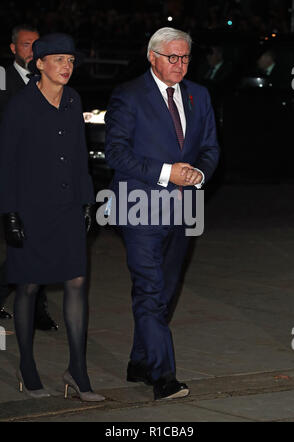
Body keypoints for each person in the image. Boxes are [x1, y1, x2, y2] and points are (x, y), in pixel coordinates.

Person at [105, 27, 219, 400]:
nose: (180, 64)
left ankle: (140, 361)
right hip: (139, 207)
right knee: (150, 291)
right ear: (152, 56)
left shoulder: (198, 95)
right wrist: (167, 172)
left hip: (182, 208)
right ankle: (163, 376)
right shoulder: (128, 95)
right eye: (172, 57)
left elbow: (209, 148)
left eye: (185, 57)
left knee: (165, 293)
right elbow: (116, 154)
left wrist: (198, 173)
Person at [0, 33, 104, 402]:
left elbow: (79, 154)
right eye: (59, 59)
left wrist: (88, 202)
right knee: (28, 287)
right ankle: (28, 371)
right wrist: (9, 214)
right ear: (40, 64)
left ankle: (77, 372)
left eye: (71, 61)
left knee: (77, 282)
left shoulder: (74, 100)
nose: (66, 67)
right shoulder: (20, 105)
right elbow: (7, 164)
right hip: (30, 210)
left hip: (67, 208)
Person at [0, 24, 58, 331]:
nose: (31, 50)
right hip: (11, 173)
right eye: (25, 45)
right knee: (23, 243)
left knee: (36, 242)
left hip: (42, 175)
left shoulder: (46, 79)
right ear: (13, 49)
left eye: (36, 45)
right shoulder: (2, 76)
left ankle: (37, 308)